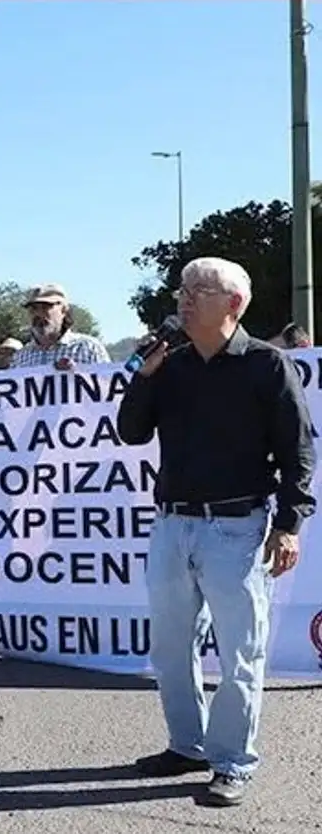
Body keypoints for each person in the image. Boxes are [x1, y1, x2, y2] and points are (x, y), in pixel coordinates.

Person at [117, 257, 316, 807]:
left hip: (238, 529)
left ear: (234, 304)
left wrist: (290, 524)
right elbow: (130, 432)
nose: (183, 298)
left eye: (197, 290)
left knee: (239, 653)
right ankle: (187, 745)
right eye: (182, 289)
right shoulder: (171, 365)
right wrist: (144, 376)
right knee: (170, 647)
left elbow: (298, 452)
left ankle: (231, 760)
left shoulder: (266, 366)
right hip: (172, 525)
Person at [12, 284, 110, 370]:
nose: (38, 314)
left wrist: (78, 375)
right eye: (33, 308)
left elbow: (109, 385)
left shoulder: (88, 348)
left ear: (63, 310)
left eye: (46, 307)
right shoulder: (20, 357)